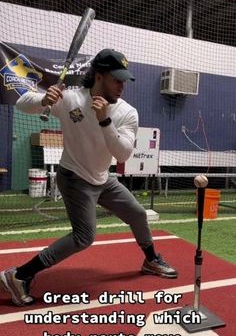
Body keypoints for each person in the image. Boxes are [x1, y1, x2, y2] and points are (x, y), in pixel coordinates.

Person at [0, 49, 178, 306]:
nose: (121, 85)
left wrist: (105, 120)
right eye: (116, 79)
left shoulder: (127, 113)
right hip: (73, 177)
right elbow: (21, 102)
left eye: (124, 80)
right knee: (84, 237)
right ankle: (19, 275)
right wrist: (44, 99)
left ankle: (151, 259)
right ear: (98, 76)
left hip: (102, 178)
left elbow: (123, 154)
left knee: (138, 214)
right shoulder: (70, 99)